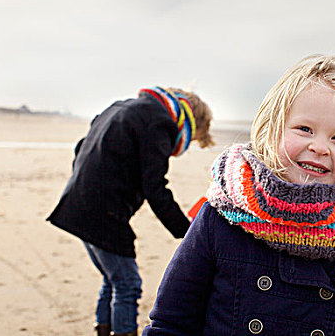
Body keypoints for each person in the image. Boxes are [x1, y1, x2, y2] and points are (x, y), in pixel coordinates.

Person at [142, 54, 335, 335]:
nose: (319, 147)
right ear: (274, 131)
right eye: (305, 129)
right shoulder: (221, 217)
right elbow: (171, 323)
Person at [46, 86, 214, 336]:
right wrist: (189, 232)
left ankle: (103, 330)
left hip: (76, 204)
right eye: (191, 139)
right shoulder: (159, 122)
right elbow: (155, 187)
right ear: (191, 122)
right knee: (128, 284)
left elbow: (80, 148)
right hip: (103, 214)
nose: (183, 147)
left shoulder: (121, 107)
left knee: (113, 280)